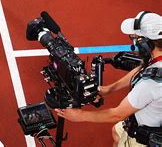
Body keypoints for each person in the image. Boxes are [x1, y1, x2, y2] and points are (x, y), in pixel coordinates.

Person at [55, 11, 162, 147]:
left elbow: (116, 115)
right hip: (147, 117)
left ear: (147, 44)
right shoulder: (156, 60)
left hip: (143, 137)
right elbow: (143, 67)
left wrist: (80, 115)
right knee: (116, 132)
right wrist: (109, 89)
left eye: (136, 39)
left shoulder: (151, 84)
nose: (134, 43)